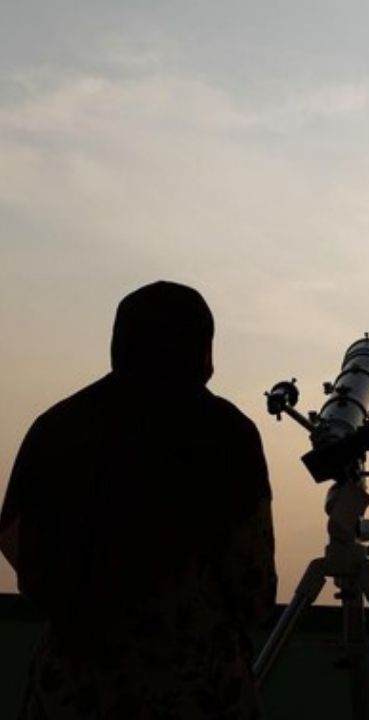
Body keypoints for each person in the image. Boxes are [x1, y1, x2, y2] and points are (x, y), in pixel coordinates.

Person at [0, 281, 277, 719]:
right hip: (195, 690)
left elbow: (15, 539)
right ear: (203, 349)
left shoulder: (56, 426)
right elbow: (253, 586)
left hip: (67, 689)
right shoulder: (227, 433)